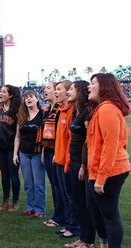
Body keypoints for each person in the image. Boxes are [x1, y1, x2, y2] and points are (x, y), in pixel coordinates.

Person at [82, 73, 131, 248]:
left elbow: (110, 147)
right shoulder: (100, 109)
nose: (89, 87)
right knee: (95, 210)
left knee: (110, 215)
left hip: (110, 172)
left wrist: (101, 178)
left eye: (93, 83)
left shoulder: (108, 110)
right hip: (96, 170)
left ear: (103, 87)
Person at [64, 80, 96, 248]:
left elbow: (89, 141)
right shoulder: (77, 112)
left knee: (84, 204)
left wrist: (84, 165)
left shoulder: (87, 113)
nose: (68, 92)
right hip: (74, 162)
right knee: (77, 202)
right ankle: (83, 237)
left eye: (71, 89)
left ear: (80, 92)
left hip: (82, 164)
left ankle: (89, 241)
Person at [13, 90, 46, 218]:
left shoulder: (43, 115)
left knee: (38, 184)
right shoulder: (22, 115)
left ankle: (39, 209)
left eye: (31, 97)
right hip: (24, 153)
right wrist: (15, 154)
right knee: (28, 183)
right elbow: (17, 137)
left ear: (37, 99)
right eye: (26, 97)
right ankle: (30, 207)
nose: (28, 99)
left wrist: (43, 151)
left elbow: (45, 136)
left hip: (37, 152)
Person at [53, 80, 79, 238]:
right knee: (64, 194)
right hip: (59, 160)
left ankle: (74, 227)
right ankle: (68, 224)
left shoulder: (71, 111)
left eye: (59, 89)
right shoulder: (62, 110)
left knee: (71, 197)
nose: (57, 92)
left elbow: (71, 141)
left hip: (67, 162)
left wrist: (67, 161)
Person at [0, 85, 22, 212]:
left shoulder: (17, 112)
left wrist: (16, 152)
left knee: (14, 176)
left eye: (4, 92)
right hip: (0, 149)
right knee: (4, 176)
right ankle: (6, 200)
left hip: (12, 149)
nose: (0, 94)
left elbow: (18, 134)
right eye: (0, 91)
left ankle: (15, 202)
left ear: (10, 95)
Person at [41, 82, 65, 227]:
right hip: (49, 151)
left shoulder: (60, 109)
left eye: (49, 88)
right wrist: (44, 150)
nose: (46, 90)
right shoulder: (49, 109)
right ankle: (58, 215)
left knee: (59, 187)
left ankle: (61, 217)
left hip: (58, 152)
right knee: (55, 186)